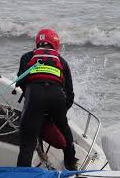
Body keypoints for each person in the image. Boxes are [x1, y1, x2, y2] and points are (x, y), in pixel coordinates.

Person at [16, 28, 77, 170]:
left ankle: (23, 174)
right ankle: (71, 165)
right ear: (55, 45)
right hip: (57, 99)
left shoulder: (27, 57)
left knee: (27, 144)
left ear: (38, 43)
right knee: (64, 129)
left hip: (34, 97)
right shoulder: (61, 61)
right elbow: (70, 94)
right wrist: (58, 114)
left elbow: (20, 82)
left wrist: (33, 107)